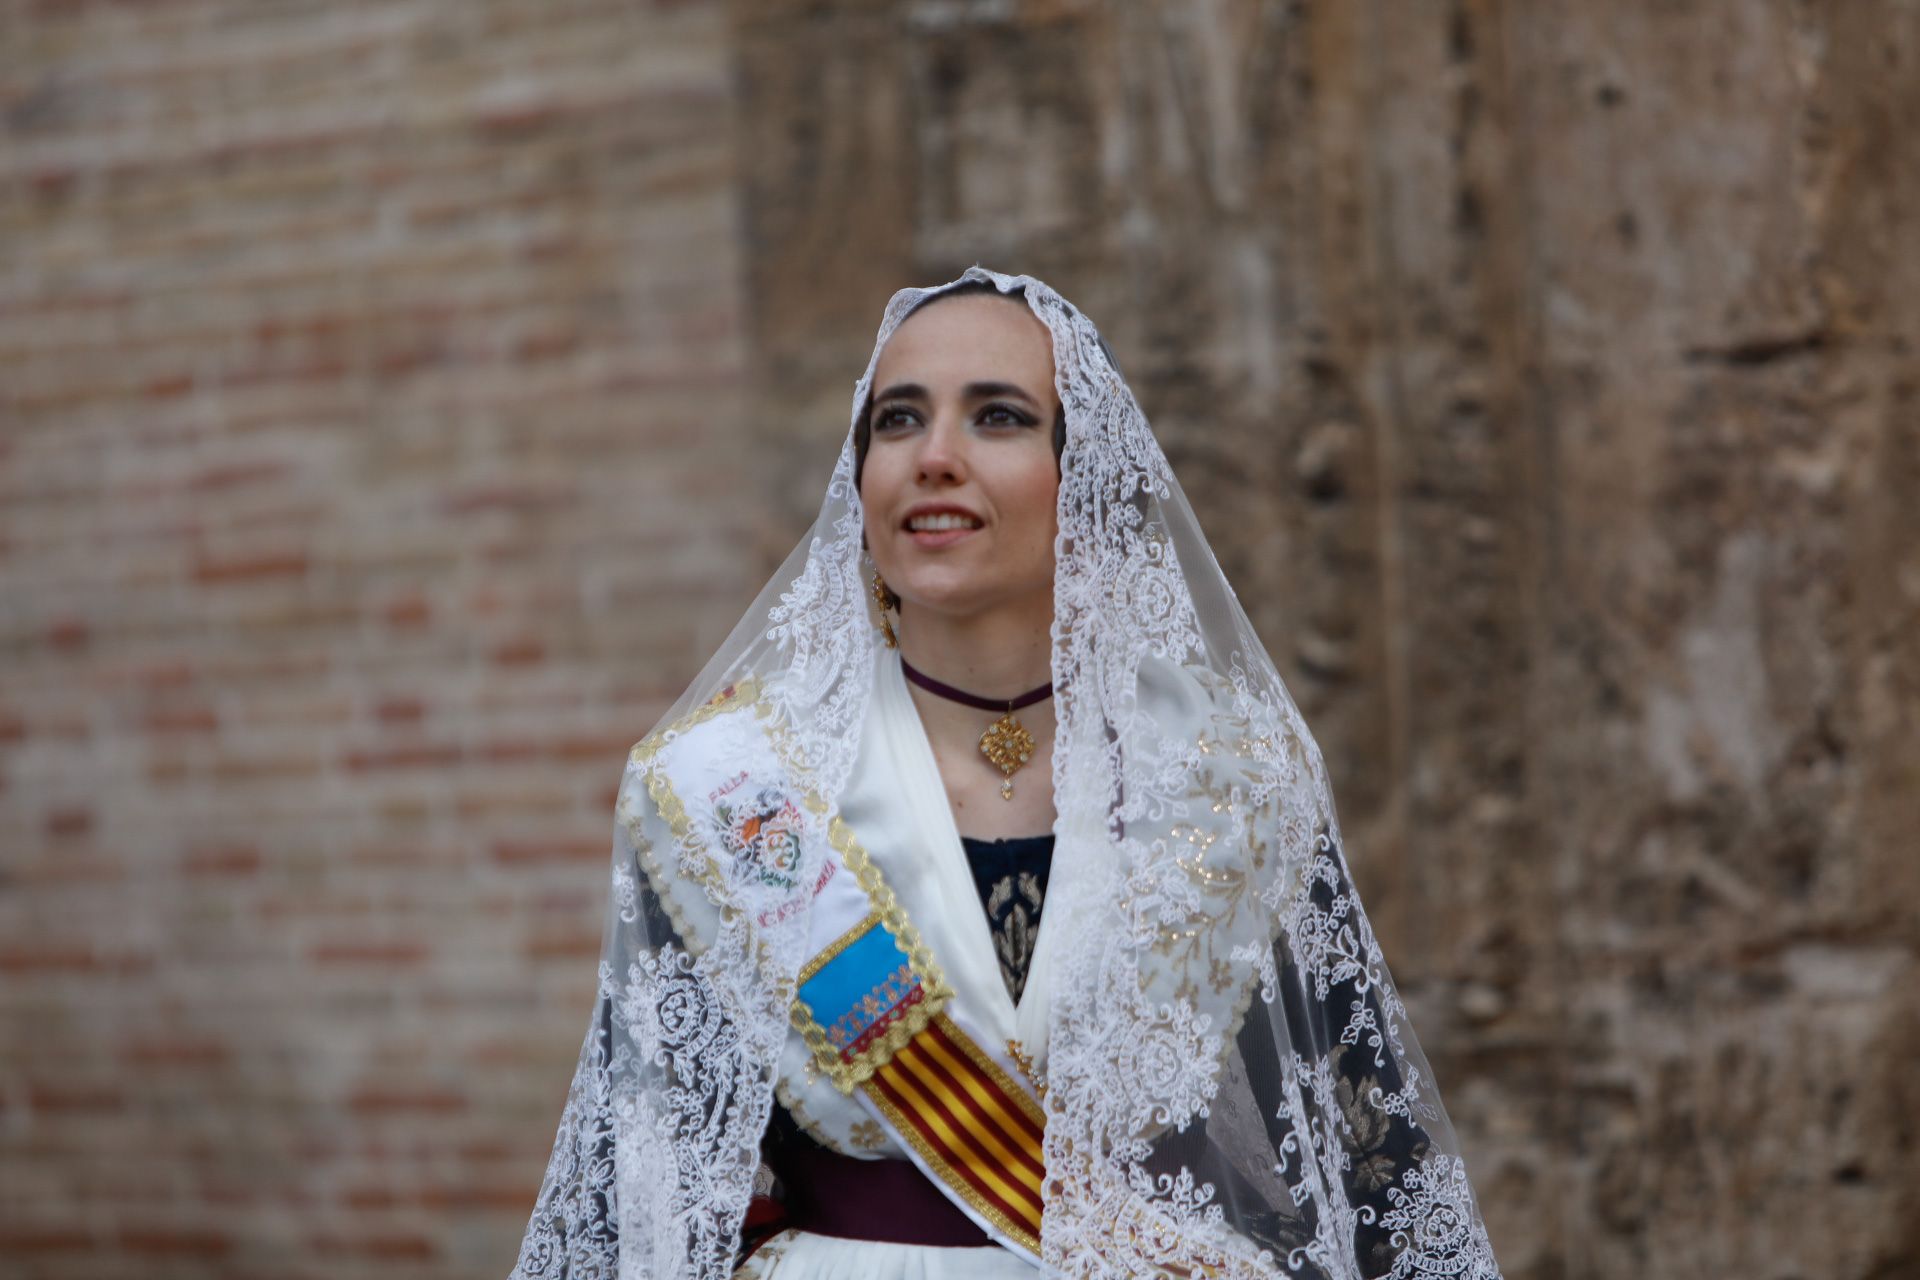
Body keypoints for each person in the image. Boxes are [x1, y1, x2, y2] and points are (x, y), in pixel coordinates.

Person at [508, 268, 1502, 1280]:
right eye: (897, 420)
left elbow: (1364, 1152)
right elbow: (642, 1186)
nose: (934, 457)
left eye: (998, 416)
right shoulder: (732, 788)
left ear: (1086, 470)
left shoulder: (1230, 776)